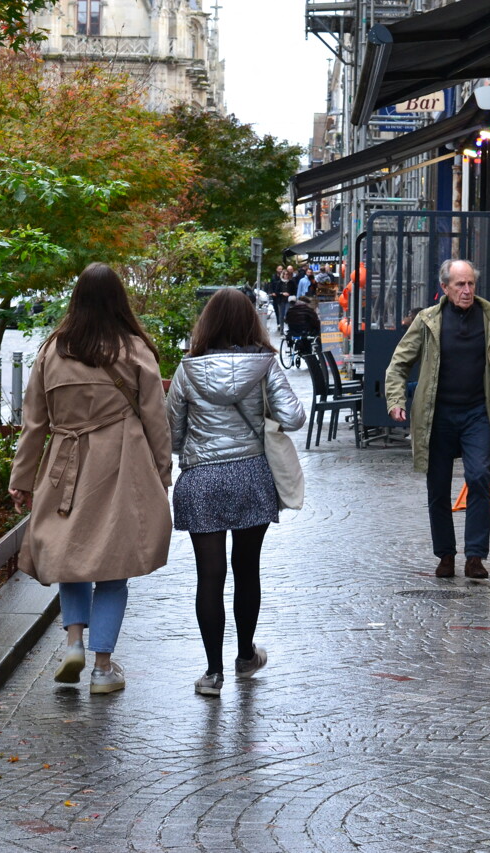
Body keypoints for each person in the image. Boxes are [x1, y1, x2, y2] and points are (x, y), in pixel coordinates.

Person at [8, 262, 172, 695]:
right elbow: (156, 420)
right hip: (122, 465)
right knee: (114, 567)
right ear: (119, 300)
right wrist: (162, 472)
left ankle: (73, 643)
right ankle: (102, 668)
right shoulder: (134, 350)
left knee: (72, 555)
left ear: (76, 298)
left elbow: (34, 423)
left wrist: (22, 478)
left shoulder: (52, 351)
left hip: (65, 467)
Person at [166, 288, 306, 696]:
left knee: (209, 576)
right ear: (251, 323)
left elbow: (171, 434)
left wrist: (196, 447)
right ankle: (245, 656)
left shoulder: (187, 371)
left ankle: (213, 673)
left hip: (202, 480)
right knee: (247, 569)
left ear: (207, 324)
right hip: (251, 475)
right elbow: (295, 417)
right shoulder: (265, 366)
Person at [384, 259, 490, 580]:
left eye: (471, 283)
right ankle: (445, 554)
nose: (467, 290)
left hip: (478, 413)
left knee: (479, 477)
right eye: (460, 284)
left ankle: (475, 556)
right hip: (437, 415)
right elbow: (399, 364)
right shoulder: (427, 320)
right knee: (438, 487)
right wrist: (395, 400)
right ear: (444, 287)